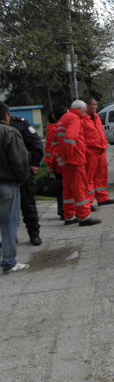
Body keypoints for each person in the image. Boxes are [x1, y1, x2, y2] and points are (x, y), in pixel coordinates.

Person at [57, 100, 101, 227]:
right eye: (85, 111)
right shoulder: (74, 119)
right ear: (80, 108)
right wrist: (66, 157)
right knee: (80, 189)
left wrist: (62, 157)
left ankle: (69, 216)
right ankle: (84, 217)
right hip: (75, 160)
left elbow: (59, 140)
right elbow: (70, 139)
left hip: (67, 162)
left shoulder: (63, 119)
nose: (85, 114)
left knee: (68, 190)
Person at [0, 102, 30, 274]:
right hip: (6, 185)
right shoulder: (10, 132)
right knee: (9, 224)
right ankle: (9, 262)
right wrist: (21, 179)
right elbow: (19, 161)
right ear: (6, 116)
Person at [9, 111, 44, 245]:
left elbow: (36, 144)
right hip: (4, 175)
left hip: (22, 172)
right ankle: (10, 236)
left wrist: (34, 164)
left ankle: (34, 234)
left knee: (27, 204)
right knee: (6, 209)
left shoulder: (20, 123)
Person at [83, 97, 114, 208]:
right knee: (89, 178)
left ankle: (102, 198)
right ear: (87, 106)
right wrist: (87, 150)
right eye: (94, 104)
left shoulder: (96, 117)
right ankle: (88, 203)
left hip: (101, 151)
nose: (96, 106)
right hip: (91, 152)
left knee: (101, 176)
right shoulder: (82, 119)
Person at [44, 106, 69, 220]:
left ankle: (66, 210)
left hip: (62, 164)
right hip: (59, 166)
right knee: (62, 189)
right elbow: (49, 149)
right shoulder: (54, 129)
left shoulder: (57, 128)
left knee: (65, 188)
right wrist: (50, 165)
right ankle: (63, 211)